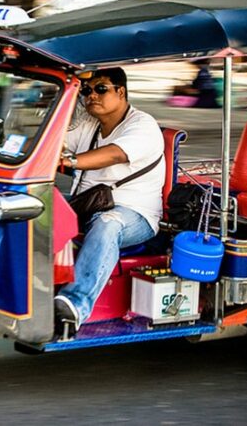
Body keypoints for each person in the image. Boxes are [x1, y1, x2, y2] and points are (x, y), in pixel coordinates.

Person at [55, 67, 165, 336]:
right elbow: (57, 142)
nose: (92, 95)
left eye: (101, 89)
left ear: (121, 92)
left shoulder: (143, 125)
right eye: (87, 91)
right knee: (38, 203)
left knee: (108, 222)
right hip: (88, 206)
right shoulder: (89, 125)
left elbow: (116, 154)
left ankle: (75, 304)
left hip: (134, 215)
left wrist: (70, 161)